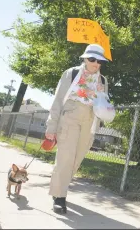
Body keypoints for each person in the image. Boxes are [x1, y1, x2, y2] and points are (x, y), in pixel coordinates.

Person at [45, 44, 108, 214]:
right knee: (65, 157)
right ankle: (59, 196)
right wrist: (52, 126)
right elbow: (58, 100)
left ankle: (60, 186)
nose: (96, 63)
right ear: (85, 59)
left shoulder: (103, 80)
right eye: (92, 59)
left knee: (76, 159)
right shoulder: (71, 73)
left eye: (99, 60)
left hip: (89, 120)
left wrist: (104, 100)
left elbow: (103, 106)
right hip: (70, 116)